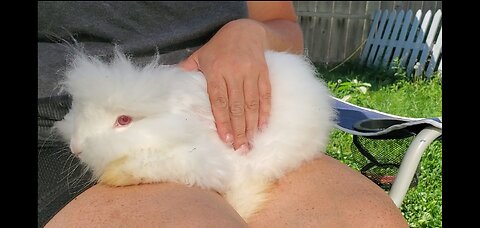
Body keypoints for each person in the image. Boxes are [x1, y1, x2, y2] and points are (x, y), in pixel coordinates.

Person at [38, 1, 409, 227]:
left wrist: (248, 33)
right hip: (53, 119)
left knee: (366, 220)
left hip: (229, 113)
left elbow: (284, 27)